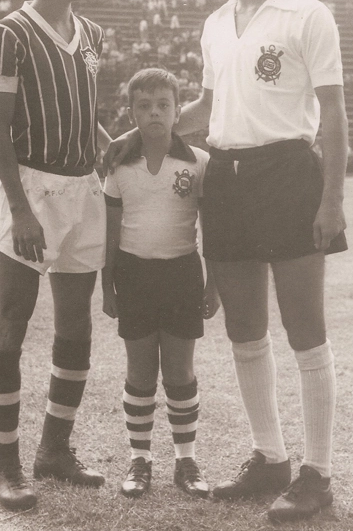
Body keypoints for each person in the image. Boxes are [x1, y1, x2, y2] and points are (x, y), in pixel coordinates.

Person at [105, 0, 348, 523]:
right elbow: (206, 110)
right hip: (229, 179)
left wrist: (333, 201)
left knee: (304, 330)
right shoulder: (215, 23)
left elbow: (336, 117)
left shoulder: (307, 14)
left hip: (290, 172)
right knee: (244, 329)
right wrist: (141, 134)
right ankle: (269, 457)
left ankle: (317, 472)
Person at [0, 0, 112, 511]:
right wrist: (19, 210)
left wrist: (116, 147)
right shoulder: (8, 34)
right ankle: (5, 467)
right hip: (32, 190)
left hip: (84, 187)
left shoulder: (90, 33)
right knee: (12, 323)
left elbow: (84, 111)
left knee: (76, 326)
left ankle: (54, 451)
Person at [102, 68, 219, 499]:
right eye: (145, 106)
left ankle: (185, 460)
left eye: (163, 106)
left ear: (177, 110)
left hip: (182, 273)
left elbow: (213, 230)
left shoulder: (198, 162)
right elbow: (111, 231)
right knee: (140, 371)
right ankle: (140, 459)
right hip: (133, 275)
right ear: (131, 111)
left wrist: (214, 285)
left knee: (179, 370)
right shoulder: (118, 163)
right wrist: (106, 285)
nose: (154, 113)